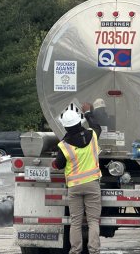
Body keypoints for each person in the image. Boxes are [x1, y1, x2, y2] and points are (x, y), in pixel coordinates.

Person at [55, 106, 102, 254]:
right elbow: (96, 126)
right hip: (92, 184)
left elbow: (58, 164)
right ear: (79, 121)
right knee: (93, 221)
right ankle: (94, 250)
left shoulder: (64, 145)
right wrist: (88, 113)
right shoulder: (92, 135)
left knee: (75, 221)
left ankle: (75, 250)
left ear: (65, 127)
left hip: (74, 186)